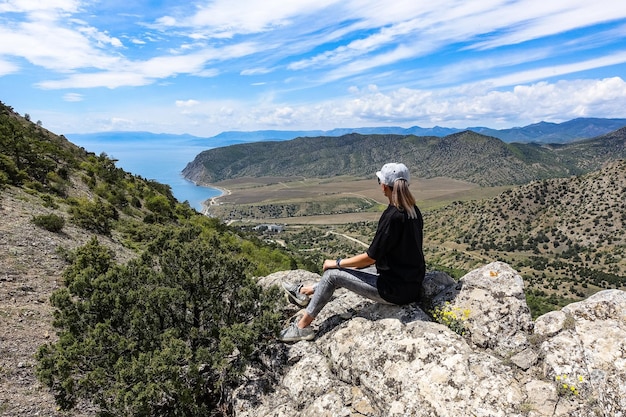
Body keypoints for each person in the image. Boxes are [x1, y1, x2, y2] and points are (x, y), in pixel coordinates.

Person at [278, 162, 426, 342]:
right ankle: (307, 292)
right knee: (349, 271)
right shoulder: (413, 211)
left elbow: (370, 258)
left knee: (333, 275)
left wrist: (337, 262)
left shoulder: (393, 216)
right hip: (408, 283)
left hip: (394, 290)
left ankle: (302, 327)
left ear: (384, 186)